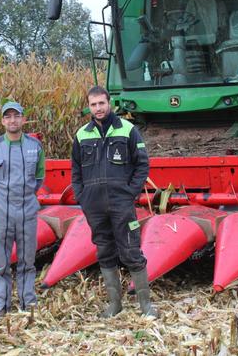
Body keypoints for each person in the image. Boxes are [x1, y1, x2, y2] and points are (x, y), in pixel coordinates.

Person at [70, 86, 158, 318]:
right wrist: (82, 196)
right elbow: (76, 171)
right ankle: (114, 305)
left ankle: (146, 306)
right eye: (93, 104)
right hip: (95, 207)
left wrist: (130, 192)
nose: (98, 108)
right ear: (88, 107)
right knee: (105, 252)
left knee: (131, 251)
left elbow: (142, 165)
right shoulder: (81, 135)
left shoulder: (129, 130)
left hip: (122, 203)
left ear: (110, 103)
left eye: (101, 103)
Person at [0, 101, 45, 319]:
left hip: (27, 210)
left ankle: (29, 302)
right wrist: (1, 200)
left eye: (16, 116)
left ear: (23, 119)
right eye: (8, 117)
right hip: (1, 212)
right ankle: (1, 303)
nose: (12, 120)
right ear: (2, 121)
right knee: (1, 262)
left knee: (28, 260)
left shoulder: (35, 147)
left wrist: (24, 197)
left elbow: (39, 178)